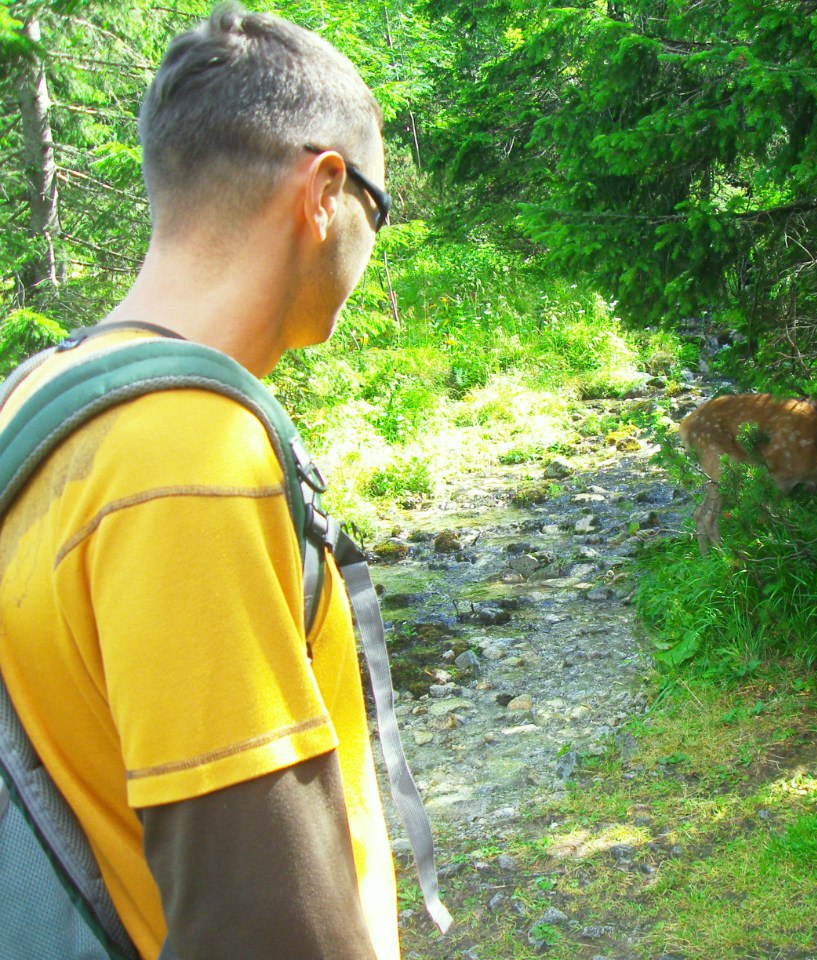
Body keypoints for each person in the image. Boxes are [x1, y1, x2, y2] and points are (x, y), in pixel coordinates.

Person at [0, 5, 398, 958]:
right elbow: (265, 927)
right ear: (324, 191)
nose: (372, 239)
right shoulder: (186, 459)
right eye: (378, 209)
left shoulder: (39, 394)